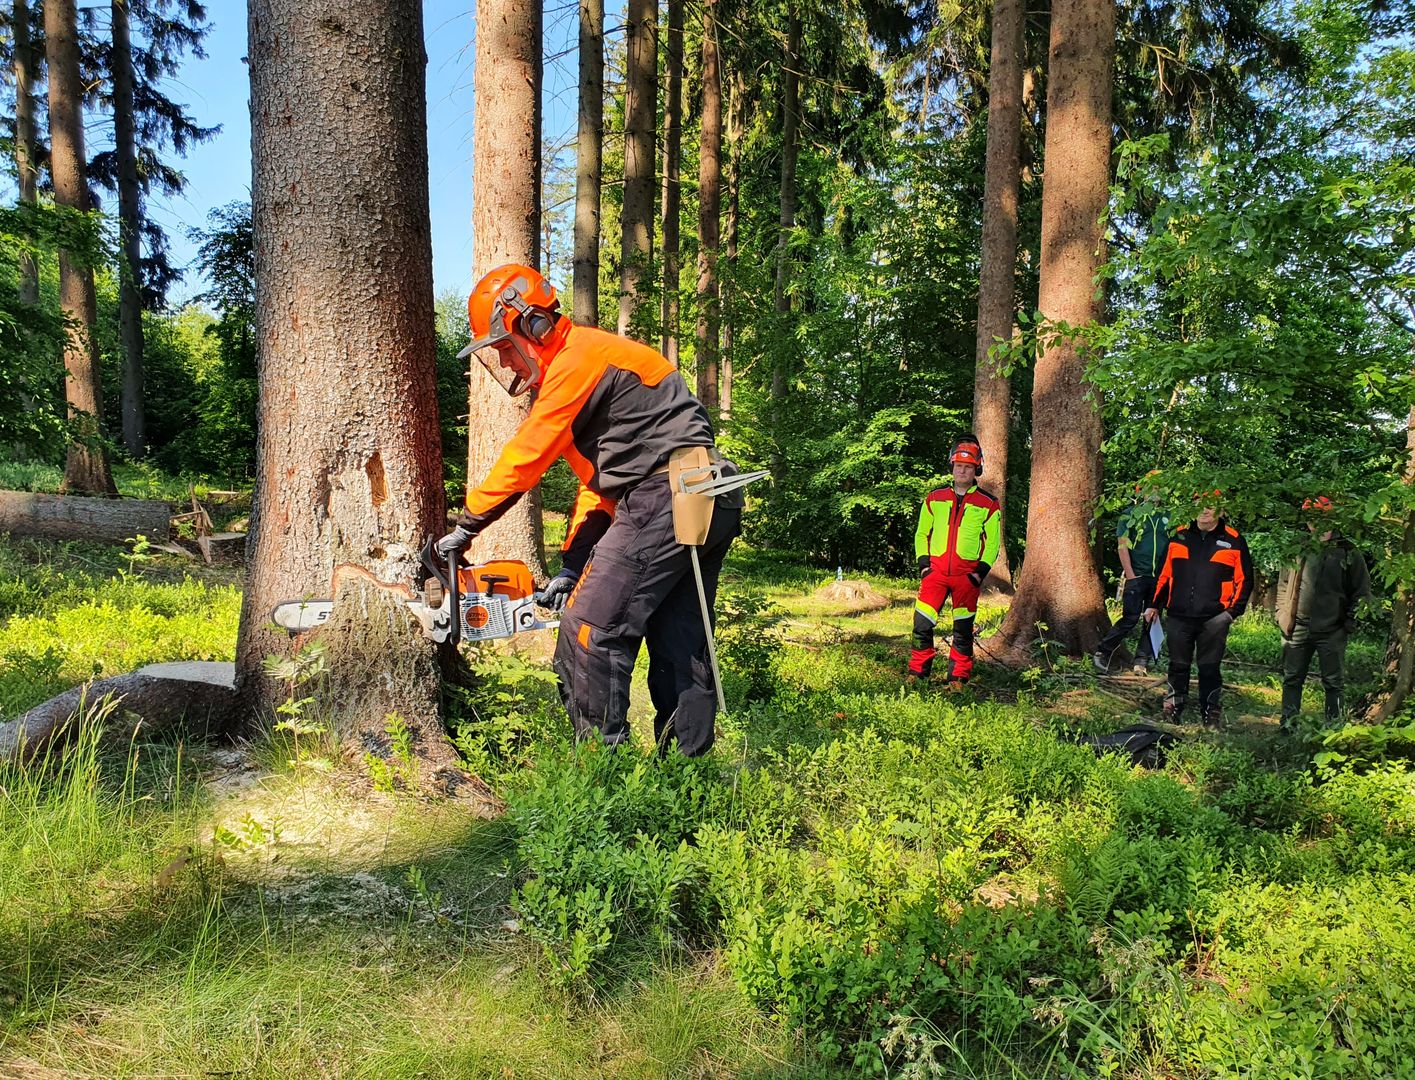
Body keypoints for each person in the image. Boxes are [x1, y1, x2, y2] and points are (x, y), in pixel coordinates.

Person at [436, 263, 741, 756]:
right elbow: (599, 491)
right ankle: (687, 775)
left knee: (588, 629)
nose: (508, 365)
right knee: (679, 640)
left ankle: (605, 770)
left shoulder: (578, 357)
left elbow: (526, 455)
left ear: (530, 324)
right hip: (705, 490)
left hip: (669, 493)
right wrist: (572, 564)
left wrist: (466, 524)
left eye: (504, 350)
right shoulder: (590, 377)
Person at [1144, 492, 1253, 725]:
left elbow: (1244, 581)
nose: (1204, 510)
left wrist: (1231, 613)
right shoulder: (1179, 536)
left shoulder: (1234, 539)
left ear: (1221, 510)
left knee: (1209, 667)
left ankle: (1210, 712)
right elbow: (1163, 575)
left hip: (1214, 618)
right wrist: (1153, 604)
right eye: (1199, 505)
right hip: (1178, 614)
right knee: (1178, 664)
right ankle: (1173, 707)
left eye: (1210, 506)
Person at [907, 434, 1001, 686]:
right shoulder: (934, 498)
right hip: (935, 574)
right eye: (959, 466)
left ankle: (958, 678)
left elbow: (992, 543)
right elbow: (921, 533)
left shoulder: (989, 504)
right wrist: (924, 566)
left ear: (976, 470)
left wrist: (979, 573)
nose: (962, 471)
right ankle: (918, 673)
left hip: (966, 577)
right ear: (952, 467)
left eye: (968, 467)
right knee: (921, 625)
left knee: (962, 631)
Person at [1276, 497, 1371, 732]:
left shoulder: (1347, 551)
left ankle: (1333, 728)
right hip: (1295, 626)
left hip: (1332, 630)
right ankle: (1288, 725)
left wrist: (1348, 624)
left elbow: (1362, 592)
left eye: (1319, 515)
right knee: (1292, 678)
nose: (1314, 522)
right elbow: (1282, 584)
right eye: (1310, 516)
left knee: (1333, 682)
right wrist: (1281, 613)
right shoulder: (1297, 548)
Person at [1094, 480, 1170, 675]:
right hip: (1137, 575)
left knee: (1152, 618)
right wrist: (1130, 575)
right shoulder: (1131, 515)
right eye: (1151, 488)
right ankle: (1103, 652)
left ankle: (1141, 661)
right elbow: (1123, 545)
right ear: (1141, 491)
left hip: (1160, 578)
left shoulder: (1169, 516)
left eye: (1159, 487)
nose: (1155, 492)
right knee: (1131, 617)